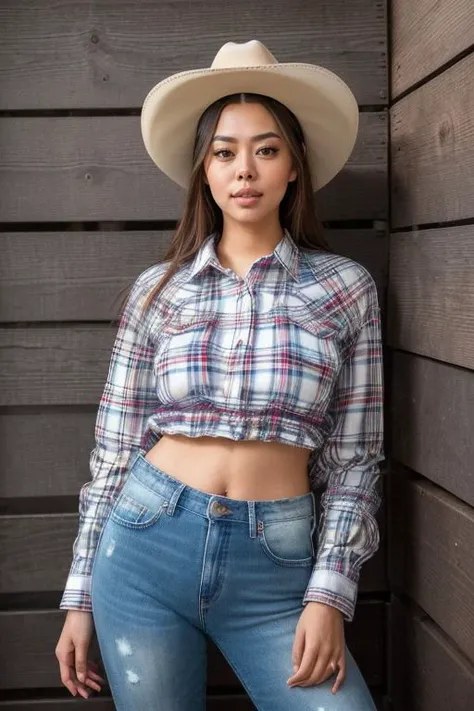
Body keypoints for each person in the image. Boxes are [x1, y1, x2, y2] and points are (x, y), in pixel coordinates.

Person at [55, 39, 384, 710]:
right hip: (143, 549)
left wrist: (329, 593)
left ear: (294, 167)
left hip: (278, 570)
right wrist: (79, 595)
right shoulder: (158, 291)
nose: (245, 170)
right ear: (203, 170)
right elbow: (114, 453)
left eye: (266, 149)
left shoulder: (346, 289)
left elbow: (356, 461)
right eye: (224, 152)